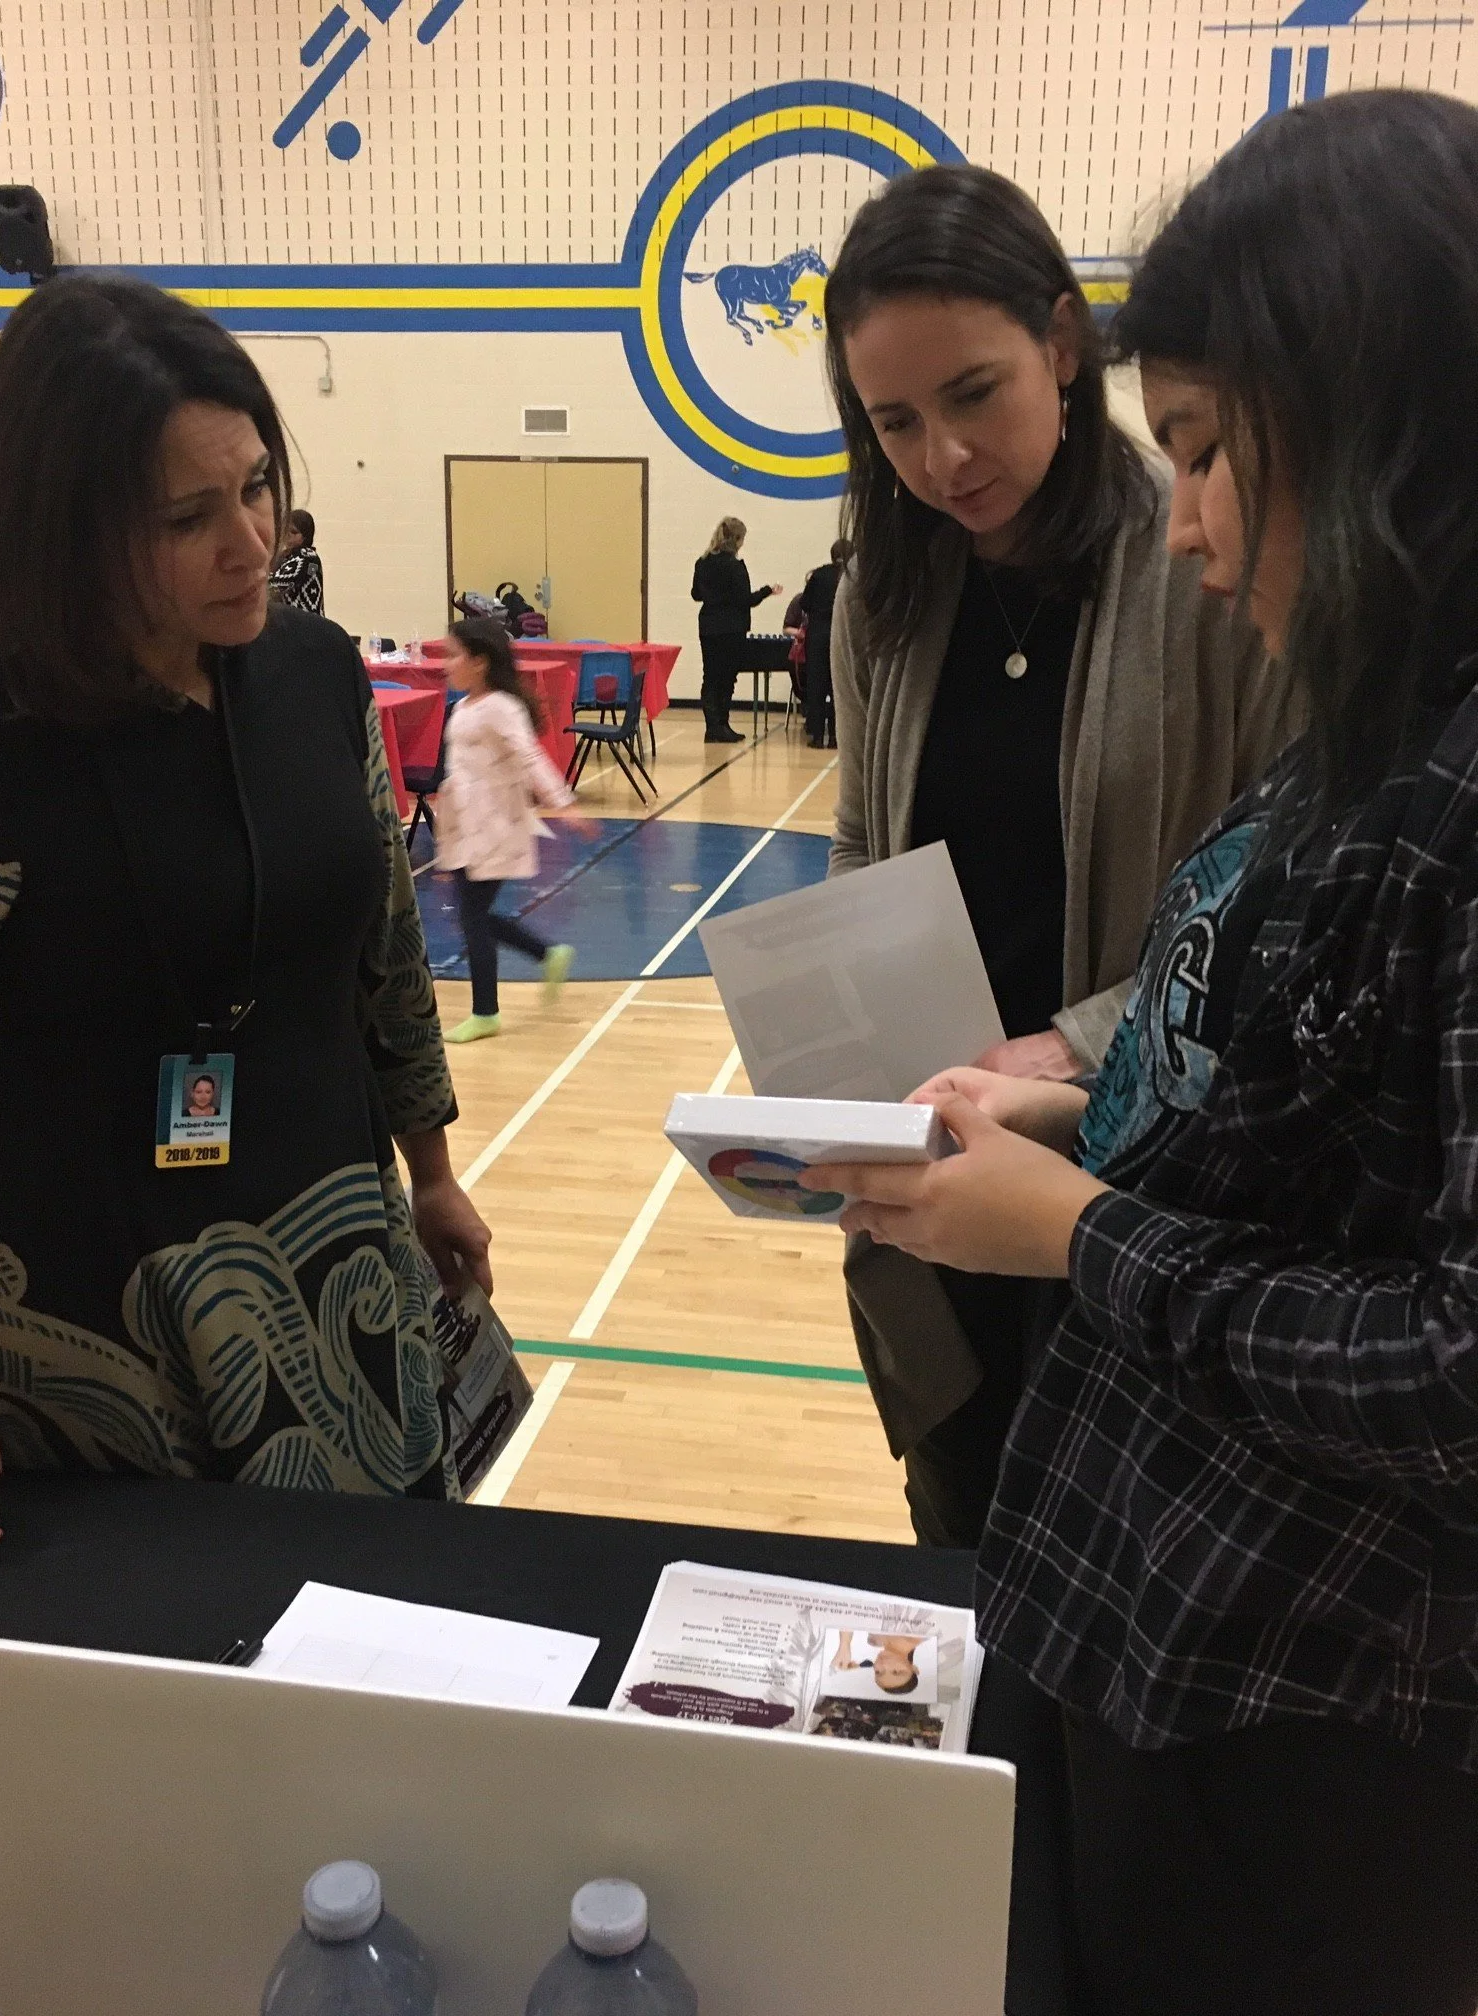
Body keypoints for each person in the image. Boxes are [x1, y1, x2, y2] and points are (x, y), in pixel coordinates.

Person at [808, 89, 1478, 2015]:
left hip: (1308, 1695)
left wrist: (1080, 1225)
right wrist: (1071, 1096)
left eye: (1200, 449)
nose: (1177, 517)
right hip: (1156, 1630)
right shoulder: (1362, 726)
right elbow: (1266, 1090)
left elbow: (1446, 1362)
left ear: (1386, 431)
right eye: (888, 422)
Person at [821, 162, 1302, 1548]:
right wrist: (829, 1073)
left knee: (1116, 1560)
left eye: (973, 396)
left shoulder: (1212, 566)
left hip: (1138, 1179)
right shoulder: (887, 591)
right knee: (961, 1527)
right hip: (941, 1160)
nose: (942, 459)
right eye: (895, 421)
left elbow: (1277, 893)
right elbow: (867, 841)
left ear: (1065, 342)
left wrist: (1075, 1048)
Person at [0, 274, 492, 1509]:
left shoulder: (314, 673)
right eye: (184, 517)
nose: (254, 542)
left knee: (373, 1625)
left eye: (259, 486)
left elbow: (391, 956)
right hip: (80, 1287)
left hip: (334, 1228)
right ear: (67, 531)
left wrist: (431, 1171)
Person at [434, 616, 587, 1042]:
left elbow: (529, 756)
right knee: (474, 916)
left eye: (453, 655)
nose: (446, 663)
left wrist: (563, 803)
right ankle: (547, 954)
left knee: (473, 918)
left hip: (495, 825)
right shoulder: (465, 706)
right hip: (467, 826)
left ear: (480, 661)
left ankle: (487, 1012)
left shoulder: (502, 707)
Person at [690, 516, 782, 743]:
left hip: (708, 626)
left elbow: (696, 594)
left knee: (710, 676)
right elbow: (745, 600)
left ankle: (712, 727)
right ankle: (722, 723)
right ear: (737, 539)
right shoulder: (735, 566)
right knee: (727, 677)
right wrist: (767, 590)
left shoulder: (702, 562)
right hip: (731, 628)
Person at [797, 540, 850, 747]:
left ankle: (817, 736)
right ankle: (837, 737)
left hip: (817, 634)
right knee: (840, 687)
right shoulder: (851, 575)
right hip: (841, 633)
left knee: (817, 685)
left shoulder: (818, 575)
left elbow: (804, 603)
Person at [269, 507, 324, 615]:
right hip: (292, 621)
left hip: (306, 624)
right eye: (286, 531)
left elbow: (279, 583)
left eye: (293, 532)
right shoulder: (287, 556)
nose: (288, 535)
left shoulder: (309, 558)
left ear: (305, 536)